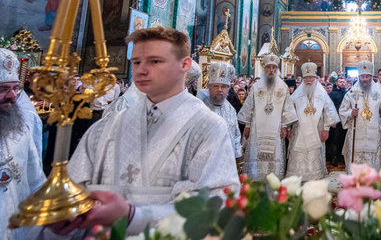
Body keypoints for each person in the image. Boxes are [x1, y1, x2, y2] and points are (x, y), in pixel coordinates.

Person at [52, 27, 239, 236]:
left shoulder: (208, 128)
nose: (141, 70)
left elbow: (217, 206)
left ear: (185, 64)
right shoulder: (106, 127)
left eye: (155, 61)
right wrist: (67, 215)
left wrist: (133, 216)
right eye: (136, 62)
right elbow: (72, 193)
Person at [0, 48, 46, 240]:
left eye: (15, 88)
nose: (12, 96)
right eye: (3, 89)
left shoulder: (22, 127)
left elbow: (36, 180)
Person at [238, 54, 297, 181]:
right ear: (264, 69)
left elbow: (287, 108)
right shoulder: (256, 86)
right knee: (255, 153)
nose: (271, 70)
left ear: (277, 69)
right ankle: (255, 178)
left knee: (275, 155)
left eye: (274, 68)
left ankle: (274, 179)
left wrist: (285, 126)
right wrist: (247, 125)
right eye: (269, 67)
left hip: (276, 128)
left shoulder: (283, 87)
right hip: (256, 127)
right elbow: (250, 106)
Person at [286, 62, 339, 181]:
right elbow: (289, 112)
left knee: (314, 154)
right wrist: (288, 128)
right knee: (299, 155)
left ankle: (315, 178)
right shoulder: (296, 94)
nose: (308, 80)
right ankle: (297, 178)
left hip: (317, 130)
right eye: (306, 77)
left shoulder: (322, 93)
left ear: (315, 78)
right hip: (299, 131)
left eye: (311, 77)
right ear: (303, 78)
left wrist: (326, 129)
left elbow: (328, 111)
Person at [338, 61, 381, 170]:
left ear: (371, 77)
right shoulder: (351, 93)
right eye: (362, 76)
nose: (365, 79)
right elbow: (342, 111)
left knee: (372, 163)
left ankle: (372, 182)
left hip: (374, 133)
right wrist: (350, 113)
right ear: (359, 77)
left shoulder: (379, 93)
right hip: (355, 133)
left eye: (367, 76)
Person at [197, 61, 243, 162]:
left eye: (223, 86)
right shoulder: (199, 105)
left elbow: (235, 135)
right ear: (209, 87)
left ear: (228, 89)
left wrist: (237, 157)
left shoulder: (230, 110)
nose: (220, 89)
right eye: (215, 86)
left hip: (226, 159)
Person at [326, 77, 347, 167]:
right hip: (336, 121)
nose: (342, 83)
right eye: (340, 82)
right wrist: (333, 120)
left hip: (344, 120)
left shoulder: (346, 93)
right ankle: (334, 157)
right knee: (334, 139)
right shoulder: (332, 94)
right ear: (336, 83)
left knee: (342, 138)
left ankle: (341, 156)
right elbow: (330, 108)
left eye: (343, 82)